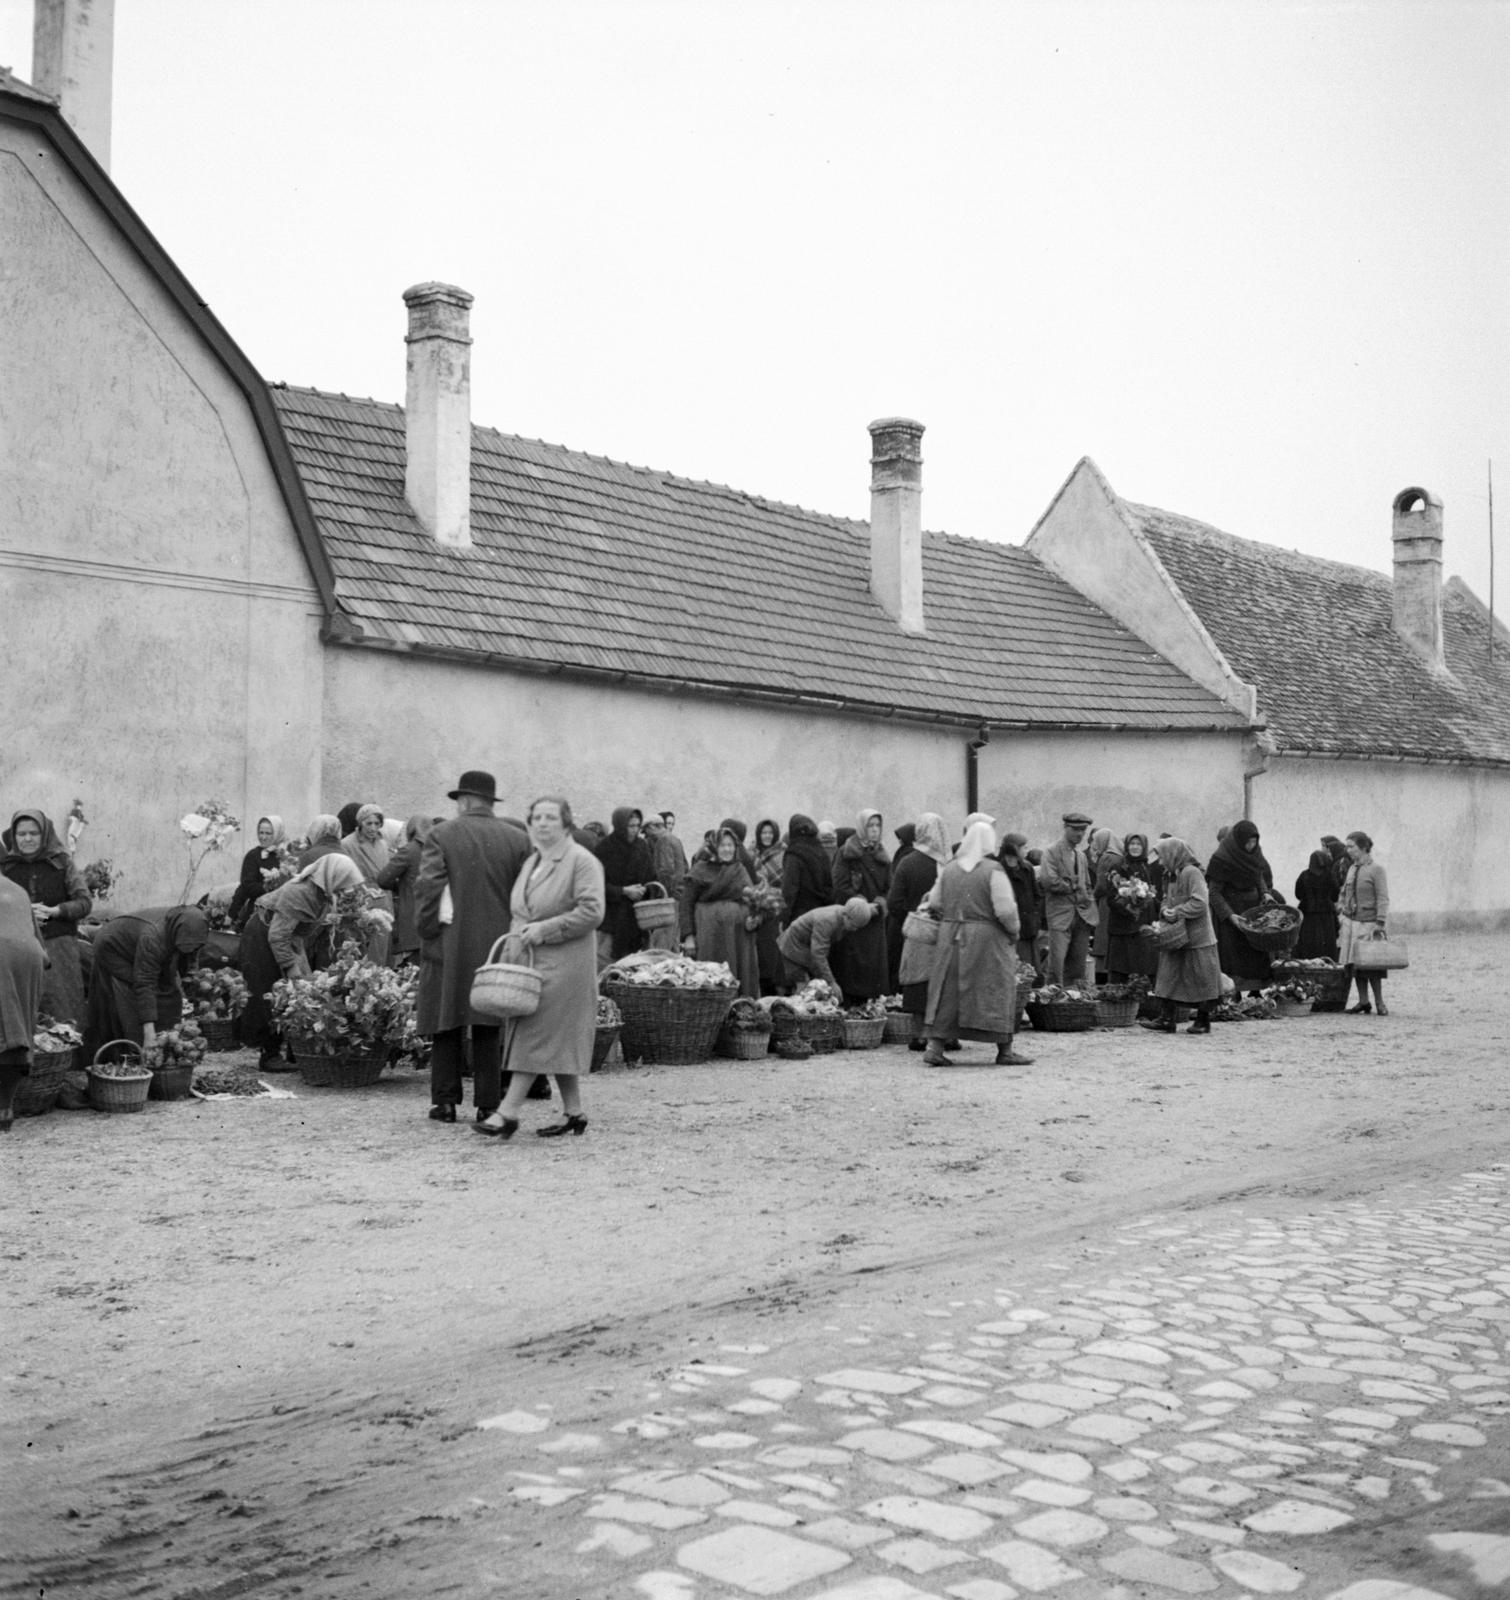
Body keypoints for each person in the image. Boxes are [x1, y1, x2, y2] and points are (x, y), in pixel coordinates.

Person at [476, 797, 605, 1140]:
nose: (543, 823)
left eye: (551, 817)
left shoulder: (581, 861)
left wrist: (546, 929)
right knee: (553, 1038)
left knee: (535, 1035)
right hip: (533, 961)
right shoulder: (533, 861)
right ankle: (574, 1113)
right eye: (537, 818)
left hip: (565, 964)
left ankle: (507, 1113)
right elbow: (522, 912)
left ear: (566, 823)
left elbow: (592, 911)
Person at [415, 771, 531, 1125]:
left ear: (463, 800)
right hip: (497, 942)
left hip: (450, 940)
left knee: (446, 1020)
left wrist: (427, 930)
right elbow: (526, 897)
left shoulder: (440, 835)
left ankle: (445, 1102)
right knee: (489, 1020)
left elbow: (429, 888)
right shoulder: (518, 839)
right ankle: (488, 1103)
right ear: (490, 801)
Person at [239, 855, 366, 1069]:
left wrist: (302, 971)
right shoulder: (300, 892)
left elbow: (297, 935)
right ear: (332, 877)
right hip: (262, 936)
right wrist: (291, 967)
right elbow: (278, 935)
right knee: (270, 991)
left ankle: (295, 1051)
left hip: (284, 937)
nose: (347, 889)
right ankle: (270, 1055)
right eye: (344, 883)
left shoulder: (323, 895)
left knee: (300, 989)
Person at [919, 818, 1028, 1067]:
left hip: (951, 936)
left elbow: (934, 902)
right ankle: (1005, 1050)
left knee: (947, 991)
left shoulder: (949, 869)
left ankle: (935, 1047)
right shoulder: (993, 870)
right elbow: (1005, 910)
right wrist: (1014, 932)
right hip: (987, 939)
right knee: (995, 988)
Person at [83, 904, 210, 1059]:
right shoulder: (154, 937)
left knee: (169, 990)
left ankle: (166, 1040)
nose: (191, 949)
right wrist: (149, 1032)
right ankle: (139, 1047)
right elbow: (145, 983)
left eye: (194, 946)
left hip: (141, 943)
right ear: (176, 935)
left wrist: (189, 977)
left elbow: (189, 958)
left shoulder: (194, 931)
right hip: (114, 947)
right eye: (185, 946)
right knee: (131, 995)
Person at [2, 809, 91, 1025]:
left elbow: (84, 902)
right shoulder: (6, 867)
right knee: (23, 1009)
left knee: (63, 1008)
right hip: (19, 949)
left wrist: (55, 911)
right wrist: (22, 910)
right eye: (21, 834)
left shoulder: (62, 863)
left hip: (59, 947)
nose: (27, 839)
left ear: (45, 835)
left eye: (34, 833)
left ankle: (67, 1047)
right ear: (13, 836)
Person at [1140, 837, 1223, 1034]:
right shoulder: (1170, 875)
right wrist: (1165, 910)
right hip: (1176, 936)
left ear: (1173, 855)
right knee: (1168, 976)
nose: (1160, 862)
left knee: (1202, 979)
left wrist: (1177, 912)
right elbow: (1166, 899)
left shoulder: (1192, 873)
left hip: (1198, 938)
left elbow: (1200, 902)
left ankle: (1202, 1021)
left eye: (1162, 857)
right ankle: (1166, 1019)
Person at [889, 812, 951, 1046]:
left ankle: (919, 1035)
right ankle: (945, 1036)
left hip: (916, 932)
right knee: (943, 982)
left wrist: (914, 915)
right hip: (944, 931)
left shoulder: (907, 862)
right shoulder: (947, 865)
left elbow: (894, 902)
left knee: (917, 981)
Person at [680, 827, 760, 997]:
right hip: (711, 936)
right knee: (712, 975)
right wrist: (688, 937)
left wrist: (754, 918)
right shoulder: (700, 870)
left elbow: (752, 901)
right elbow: (686, 904)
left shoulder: (739, 869)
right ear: (714, 847)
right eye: (722, 845)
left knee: (738, 976)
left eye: (730, 845)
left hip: (738, 937)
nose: (727, 849)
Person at [1207, 819, 1283, 994]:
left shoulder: (1255, 854)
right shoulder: (1222, 858)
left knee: (1256, 951)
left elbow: (1259, 877)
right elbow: (1214, 893)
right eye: (1247, 842)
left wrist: (1265, 893)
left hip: (1253, 913)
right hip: (1232, 914)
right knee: (1234, 956)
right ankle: (1235, 994)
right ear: (1238, 840)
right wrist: (1230, 915)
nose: (1251, 846)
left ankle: (1256, 992)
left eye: (1254, 842)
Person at [0, 875, 47, 1132]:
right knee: (18, 1036)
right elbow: (42, 951)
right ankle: (5, 1108)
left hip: (2, 955)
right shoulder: (18, 889)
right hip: (30, 958)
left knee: (4, 1033)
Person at [831, 808, 891, 1004]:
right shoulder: (847, 853)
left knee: (873, 974)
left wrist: (880, 904)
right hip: (854, 920)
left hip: (875, 921)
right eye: (870, 825)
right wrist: (861, 906)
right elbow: (840, 885)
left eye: (877, 825)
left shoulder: (882, 854)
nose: (874, 829)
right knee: (853, 971)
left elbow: (889, 887)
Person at [1040, 811, 1096, 986]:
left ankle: (1073, 998)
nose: (1080, 834)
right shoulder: (1051, 852)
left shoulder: (1081, 856)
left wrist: (1088, 902)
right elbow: (1049, 881)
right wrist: (1073, 885)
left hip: (1082, 916)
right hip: (1060, 915)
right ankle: (1052, 997)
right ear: (1065, 828)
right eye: (1075, 829)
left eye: (1083, 830)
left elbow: (1087, 884)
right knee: (1056, 965)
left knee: (1078, 966)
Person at [1338, 831, 1391, 1015]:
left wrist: (1380, 922)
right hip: (1351, 923)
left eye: (1351, 846)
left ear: (1362, 847)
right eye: (1347, 846)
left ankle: (1380, 1002)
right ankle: (1363, 1001)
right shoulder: (1351, 869)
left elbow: (1383, 897)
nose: (1347, 850)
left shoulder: (1376, 870)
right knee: (1355, 965)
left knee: (1372, 965)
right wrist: (1341, 912)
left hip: (1369, 924)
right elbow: (1344, 893)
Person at [378, 815, 438, 965]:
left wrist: (400, 887)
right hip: (434, 919)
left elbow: (383, 879)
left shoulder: (409, 850)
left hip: (412, 920)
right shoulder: (437, 850)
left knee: (413, 968)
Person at [597, 807, 655, 961]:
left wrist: (645, 889)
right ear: (620, 825)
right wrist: (623, 891)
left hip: (637, 919)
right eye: (630, 826)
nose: (635, 830)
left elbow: (651, 875)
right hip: (611, 920)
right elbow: (597, 884)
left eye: (637, 825)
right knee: (606, 964)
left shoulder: (642, 846)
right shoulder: (605, 848)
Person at [778, 898, 872, 991]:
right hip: (792, 947)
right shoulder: (827, 921)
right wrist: (831, 982)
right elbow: (818, 954)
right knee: (804, 985)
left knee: (815, 986)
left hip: (805, 949)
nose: (854, 930)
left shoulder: (844, 912)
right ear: (846, 916)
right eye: (853, 925)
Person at [1104, 832, 1160, 982]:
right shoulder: (1118, 867)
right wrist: (1130, 907)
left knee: (1143, 967)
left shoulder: (1146, 867)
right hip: (1123, 927)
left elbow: (1153, 893)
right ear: (1126, 846)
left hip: (1143, 926)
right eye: (1132, 844)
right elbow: (1111, 897)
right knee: (1122, 968)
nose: (1135, 847)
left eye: (1139, 844)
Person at [341, 804, 394, 965]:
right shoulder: (348, 844)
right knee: (360, 948)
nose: (373, 828)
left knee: (381, 947)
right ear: (360, 823)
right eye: (368, 823)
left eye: (377, 823)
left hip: (383, 899)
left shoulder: (382, 843)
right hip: (362, 899)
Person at [227, 815, 287, 928]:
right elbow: (247, 887)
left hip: (284, 913)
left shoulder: (287, 856)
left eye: (268, 833)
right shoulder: (253, 856)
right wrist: (271, 886)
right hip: (259, 913)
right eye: (261, 832)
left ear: (277, 833)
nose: (263, 837)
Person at [997, 833, 1042, 980]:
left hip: (1029, 926)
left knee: (1031, 970)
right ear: (1014, 848)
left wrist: (1035, 918)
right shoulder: (999, 869)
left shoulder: (1027, 868)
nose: (1026, 851)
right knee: (1015, 970)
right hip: (1011, 926)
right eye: (1024, 847)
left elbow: (1036, 895)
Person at [751, 819, 786, 995]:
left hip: (775, 909)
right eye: (764, 833)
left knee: (772, 951)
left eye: (770, 833)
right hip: (756, 907)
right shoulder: (752, 853)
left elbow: (786, 881)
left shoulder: (783, 852)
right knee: (758, 953)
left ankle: (773, 989)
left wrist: (770, 893)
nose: (767, 836)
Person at [781, 814, 832, 925]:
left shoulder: (794, 854)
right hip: (822, 913)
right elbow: (830, 884)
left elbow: (789, 890)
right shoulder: (821, 852)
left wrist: (783, 918)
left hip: (800, 916)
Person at [1087, 828, 1123, 982]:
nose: (1095, 845)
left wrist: (1091, 897)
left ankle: (1101, 972)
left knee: (1102, 937)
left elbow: (1101, 885)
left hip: (1105, 903)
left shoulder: (1106, 857)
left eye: (1097, 841)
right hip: (1117, 901)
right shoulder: (1119, 856)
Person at [1294, 848, 1341, 961]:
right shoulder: (1329, 875)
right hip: (1327, 915)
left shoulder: (1304, 875)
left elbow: (1298, 894)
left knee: (1308, 944)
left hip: (1308, 915)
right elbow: (1335, 895)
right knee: (1327, 944)